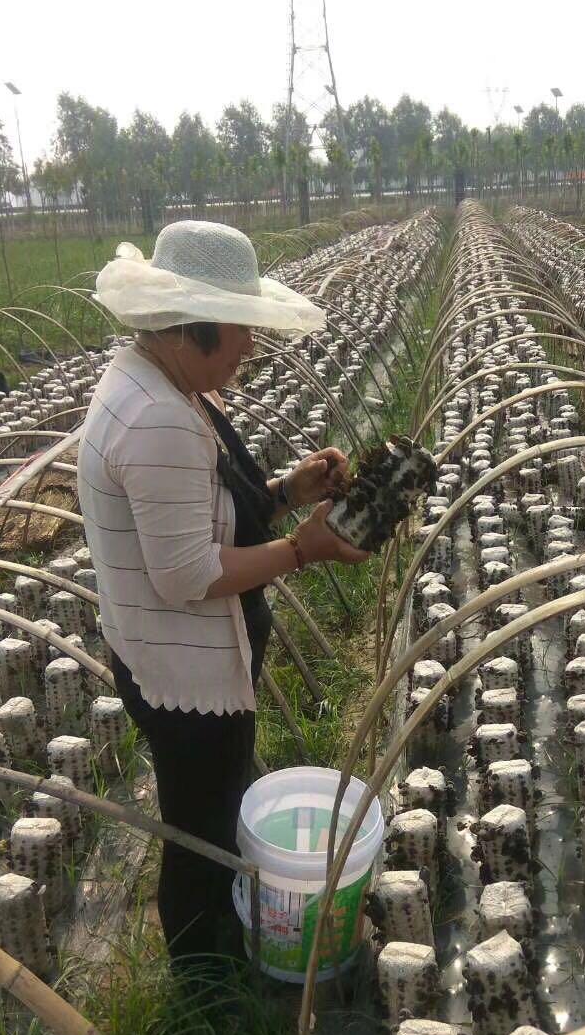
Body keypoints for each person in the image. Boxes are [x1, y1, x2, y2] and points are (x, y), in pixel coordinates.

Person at [79, 220, 368, 971]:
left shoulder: (151, 380)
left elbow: (199, 515)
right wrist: (302, 549)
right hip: (184, 673)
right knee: (202, 829)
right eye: (240, 327)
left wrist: (287, 490)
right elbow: (186, 575)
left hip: (153, 652)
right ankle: (203, 973)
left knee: (206, 805)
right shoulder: (160, 418)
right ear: (192, 325)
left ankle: (213, 945)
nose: (249, 345)